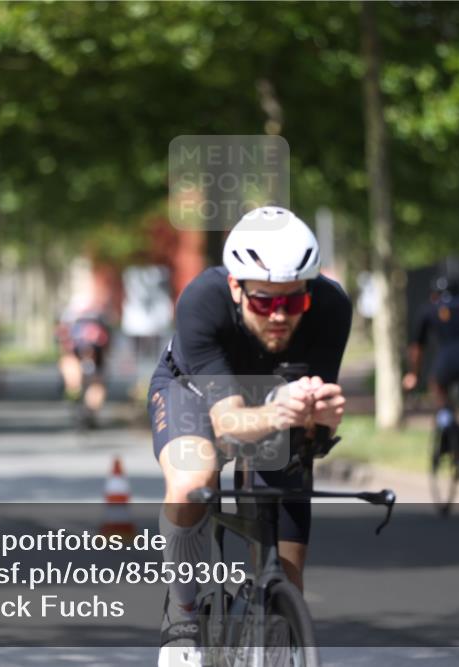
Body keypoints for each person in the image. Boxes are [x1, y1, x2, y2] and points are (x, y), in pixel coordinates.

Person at [148, 206, 352, 665]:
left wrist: (324, 421)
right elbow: (228, 425)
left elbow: (311, 427)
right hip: (194, 391)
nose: (279, 316)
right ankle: (181, 617)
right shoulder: (202, 301)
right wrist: (282, 414)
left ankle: (271, 627)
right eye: (264, 302)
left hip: (274, 403)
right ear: (236, 288)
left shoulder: (331, 306)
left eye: (293, 302)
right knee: (191, 481)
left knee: (287, 580)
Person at [402, 276, 459, 496]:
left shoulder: (430, 309)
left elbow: (417, 348)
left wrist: (413, 375)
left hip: (449, 363)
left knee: (439, 390)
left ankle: (449, 427)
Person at [56, 304, 112, 424]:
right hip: (86, 352)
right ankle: (84, 407)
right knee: (92, 382)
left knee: (93, 384)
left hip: (89, 351)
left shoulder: (75, 319)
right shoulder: (97, 317)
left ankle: (83, 407)